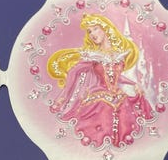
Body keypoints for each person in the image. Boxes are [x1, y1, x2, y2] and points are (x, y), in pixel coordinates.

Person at [47, 14, 154, 148]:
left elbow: (117, 76)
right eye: (89, 31)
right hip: (99, 93)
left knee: (129, 107)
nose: (92, 34)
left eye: (95, 29)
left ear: (105, 28)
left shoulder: (118, 54)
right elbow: (74, 72)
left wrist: (134, 84)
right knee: (104, 108)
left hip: (117, 94)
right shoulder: (93, 56)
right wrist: (64, 96)